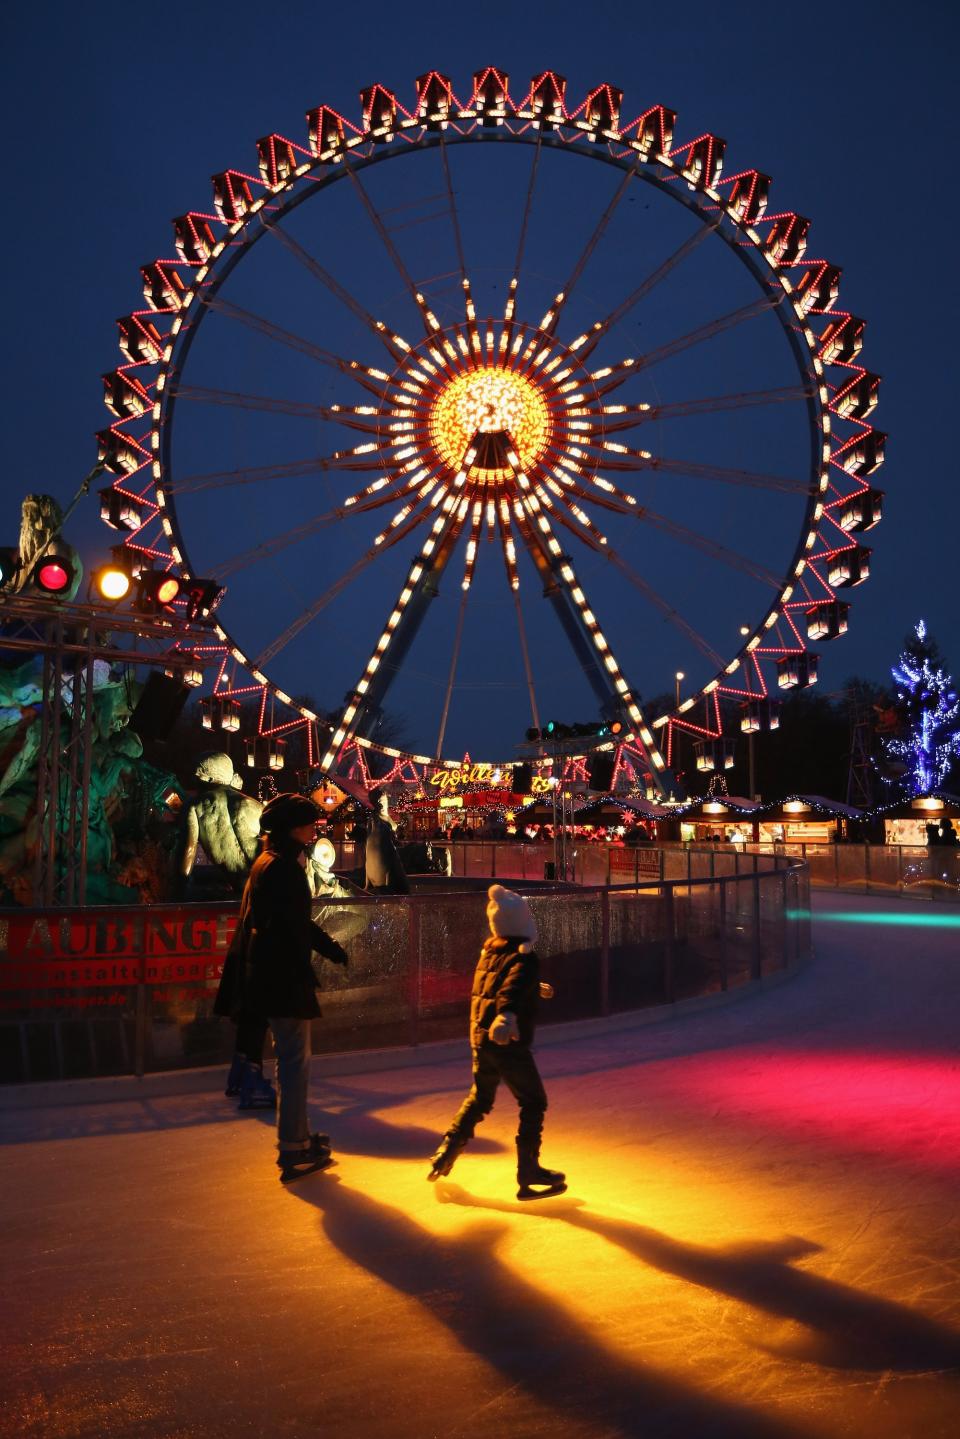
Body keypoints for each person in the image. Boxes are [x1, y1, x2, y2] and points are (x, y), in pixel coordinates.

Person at [214, 793, 349, 1181]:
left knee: (291, 1060)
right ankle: (294, 1148)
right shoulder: (284, 869)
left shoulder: (266, 863)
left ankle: (298, 1137)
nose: (314, 830)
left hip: (265, 975)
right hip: (282, 978)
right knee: (294, 1063)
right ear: (293, 827)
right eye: (309, 824)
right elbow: (295, 925)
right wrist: (327, 951)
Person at [427, 884, 565, 1201]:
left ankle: (446, 1150)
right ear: (523, 923)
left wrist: (535, 987)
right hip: (508, 1043)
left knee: (480, 1099)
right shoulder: (524, 957)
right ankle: (528, 1172)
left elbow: (499, 984)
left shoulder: (491, 951)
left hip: (481, 1040)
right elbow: (510, 988)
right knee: (534, 1102)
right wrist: (507, 1015)